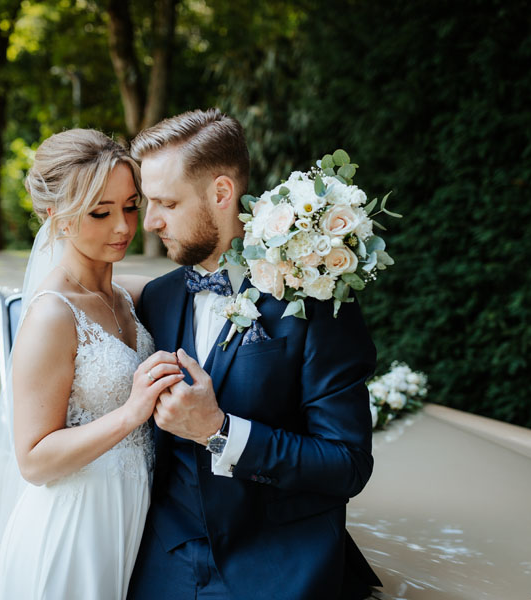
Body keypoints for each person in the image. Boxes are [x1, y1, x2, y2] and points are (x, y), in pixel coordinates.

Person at [127, 109, 382, 599]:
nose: (151, 221)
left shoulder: (313, 300)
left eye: (167, 202)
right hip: (163, 569)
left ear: (221, 194)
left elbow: (348, 464)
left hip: (278, 572)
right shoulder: (155, 301)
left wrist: (219, 432)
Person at [0, 129, 182, 599]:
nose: (123, 227)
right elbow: (33, 460)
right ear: (58, 218)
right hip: (73, 528)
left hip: (132, 519)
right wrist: (132, 412)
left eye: (131, 206)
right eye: (101, 212)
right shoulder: (53, 314)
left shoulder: (126, 297)